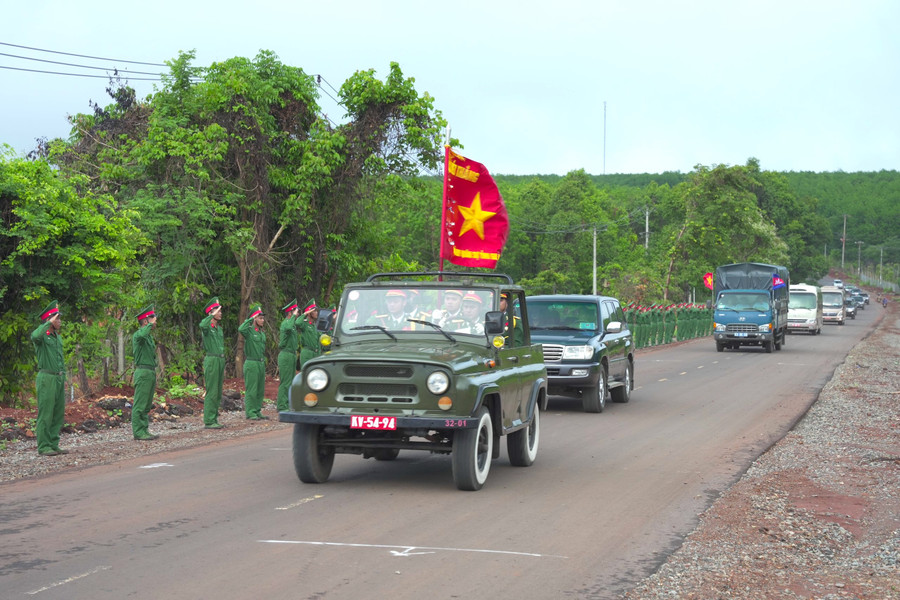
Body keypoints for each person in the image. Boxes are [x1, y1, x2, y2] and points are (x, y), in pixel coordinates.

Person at [31, 300, 69, 456]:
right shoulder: (42, 336)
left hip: (58, 377)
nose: (60, 321)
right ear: (49, 319)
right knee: (46, 413)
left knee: (57, 413)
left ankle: (53, 443)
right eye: (57, 319)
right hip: (46, 378)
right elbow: (35, 336)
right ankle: (44, 446)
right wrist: (48, 323)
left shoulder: (56, 337)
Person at [132, 305, 159, 440]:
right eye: (152, 319)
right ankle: (138, 432)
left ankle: (144, 429)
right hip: (143, 372)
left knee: (147, 404)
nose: (155, 322)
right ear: (145, 321)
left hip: (150, 371)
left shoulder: (148, 337)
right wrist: (149, 324)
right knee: (140, 404)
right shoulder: (138, 335)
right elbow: (142, 334)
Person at [199, 297, 225, 429]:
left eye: (220, 311)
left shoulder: (218, 329)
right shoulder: (207, 327)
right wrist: (211, 316)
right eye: (217, 311)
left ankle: (214, 418)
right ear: (211, 312)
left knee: (218, 391)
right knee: (212, 390)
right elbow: (202, 325)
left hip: (220, 359)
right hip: (212, 359)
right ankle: (209, 420)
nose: (220, 313)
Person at [239, 303, 268, 420]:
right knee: (252, 389)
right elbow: (241, 329)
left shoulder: (261, 333)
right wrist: (250, 319)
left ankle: (257, 410)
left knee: (260, 389)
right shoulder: (249, 331)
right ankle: (250, 412)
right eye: (260, 318)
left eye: (263, 318)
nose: (262, 320)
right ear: (255, 319)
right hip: (251, 363)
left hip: (260, 363)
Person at [277, 299, 300, 412]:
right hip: (286, 354)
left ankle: (287, 404)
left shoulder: (292, 324)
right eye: (296, 311)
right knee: (285, 382)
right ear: (290, 312)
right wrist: (293, 316)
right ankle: (282, 406)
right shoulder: (286, 323)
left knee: (290, 381)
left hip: (291, 354)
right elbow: (287, 328)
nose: (298, 313)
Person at [298, 299, 321, 368]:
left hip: (315, 354)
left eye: (316, 311)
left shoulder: (314, 326)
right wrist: (305, 313)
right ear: (309, 313)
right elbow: (297, 323)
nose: (316, 313)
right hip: (307, 354)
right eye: (314, 311)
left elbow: (318, 341)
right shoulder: (305, 323)